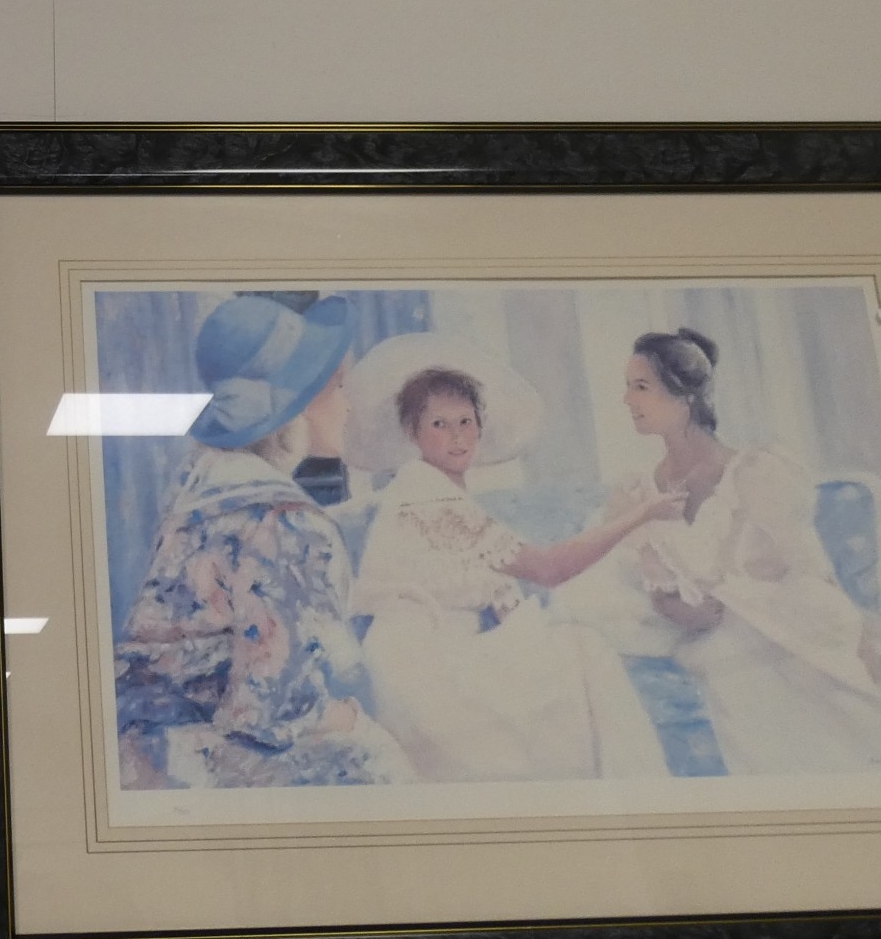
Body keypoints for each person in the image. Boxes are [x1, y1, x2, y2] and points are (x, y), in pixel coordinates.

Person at [610, 328, 881, 776]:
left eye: (641, 387)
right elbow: (657, 583)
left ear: (685, 395)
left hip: (791, 615)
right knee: (728, 659)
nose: (627, 400)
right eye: (628, 387)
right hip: (714, 633)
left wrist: (860, 642)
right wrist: (680, 610)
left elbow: (810, 567)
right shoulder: (639, 490)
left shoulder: (754, 471)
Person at [115, 294, 412, 790]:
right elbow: (274, 712)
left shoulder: (202, 485)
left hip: (136, 745)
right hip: (203, 759)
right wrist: (356, 719)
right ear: (301, 401)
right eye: (340, 387)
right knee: (384, 762)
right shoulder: (287, 523)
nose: (349, 405)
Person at [347, 338, 678, 782]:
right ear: (414, 432)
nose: (457, 436)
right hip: (419, 670)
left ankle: (625, 794)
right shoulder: (423, 492)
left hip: (444, 653)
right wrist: (642, 514)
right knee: (585, 653)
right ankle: (633, 794)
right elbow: (548, 569)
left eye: (466, 422)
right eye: (440, 424)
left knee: (576, 648)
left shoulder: (445, 494)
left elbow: (503, 597)